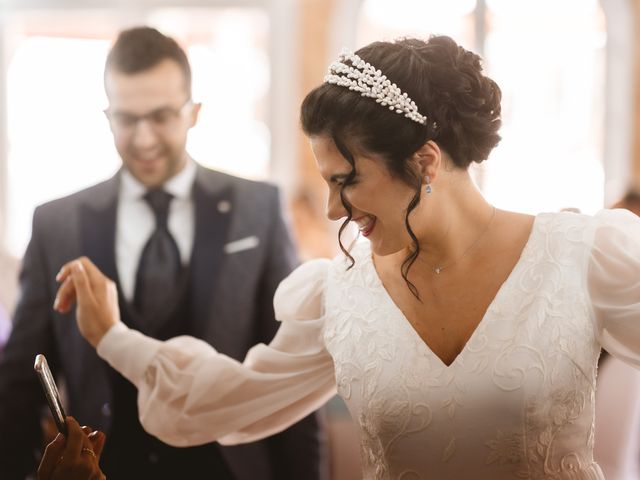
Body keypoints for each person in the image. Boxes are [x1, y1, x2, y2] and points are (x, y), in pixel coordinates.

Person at [52, 35, 640, 479]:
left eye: (347, 180)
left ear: (425, 161)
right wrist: (111, 335)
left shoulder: (582, 256)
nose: (332, 209)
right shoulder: (339, 297)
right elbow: (227, 399)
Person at [0, 26, 323, 480]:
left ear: (193, 112)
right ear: (107, 115)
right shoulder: (57, 223)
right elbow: (17, 384)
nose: (144, 138)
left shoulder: (259, 209)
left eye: (161, 116)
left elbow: (288, 372)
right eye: (127, 119)